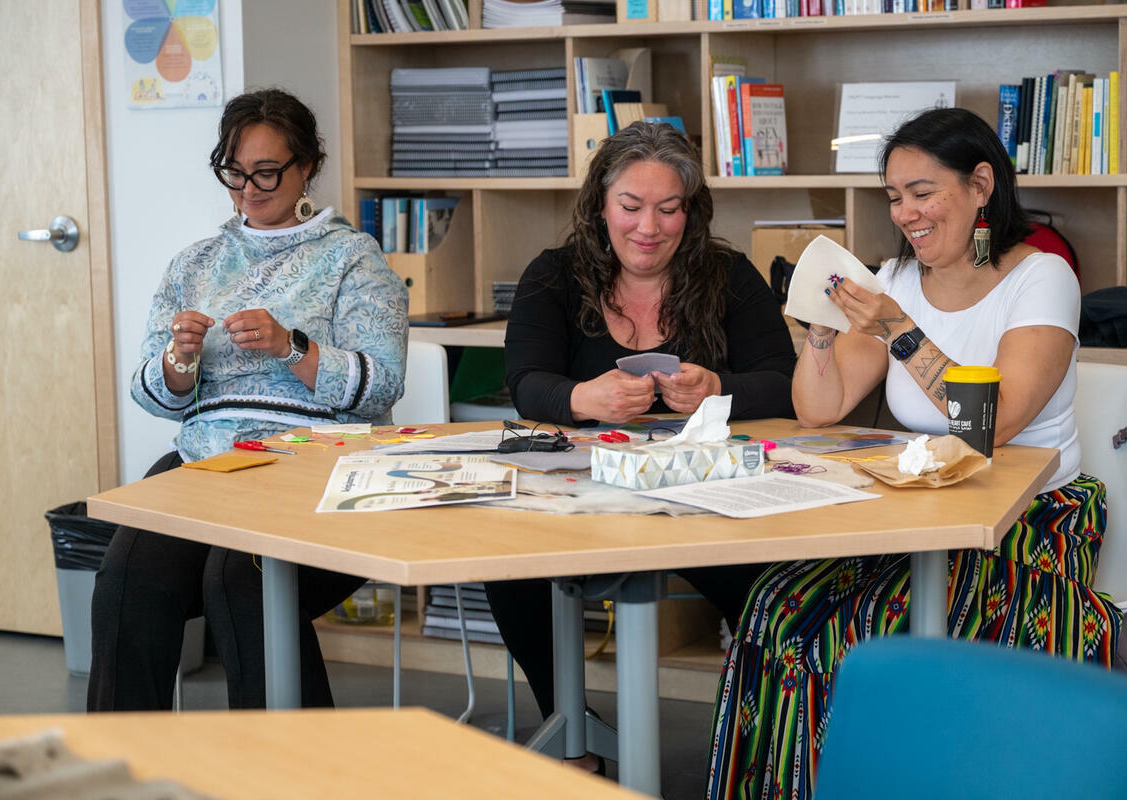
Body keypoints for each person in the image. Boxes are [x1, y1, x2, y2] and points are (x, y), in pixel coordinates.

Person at [706, 107, 1121, 800]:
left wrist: (898, 328)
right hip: (921, 517)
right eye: (894, 197)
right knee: (773, 608)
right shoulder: (897, 278)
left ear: (981, 184)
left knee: (858, 639)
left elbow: (988, 428)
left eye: (922, 192)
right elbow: (819, 407)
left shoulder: (1040, 277)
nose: (905, 213)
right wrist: (819, 329)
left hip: (1025, 529)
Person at [486, 121, 797, 767]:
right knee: (507, 569)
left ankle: (775, 733)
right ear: (600, 205)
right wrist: (582, 399)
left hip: (708, 494)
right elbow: (525, 382)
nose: (647, 227)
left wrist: (719, 388)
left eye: (668, 208)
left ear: (692, 210)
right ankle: (568, 727)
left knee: (769, 582)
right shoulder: (554, 275)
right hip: (584, 494)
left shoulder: (729, 275)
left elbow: (783, 383)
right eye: (630, 207)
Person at [88, 89, 408, 711]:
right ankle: (115, 768)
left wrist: (293, 347)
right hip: (208, 464)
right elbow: (154, 395)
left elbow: (382, 385)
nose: (248, 190)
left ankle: (294, 772)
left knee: (243, 581)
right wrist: (179, 363)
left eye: (267, 172)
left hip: (315, 465)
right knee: (127, 580)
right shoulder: (195, 263)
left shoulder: (353, 258)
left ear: (308, 165)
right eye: (234, 173)